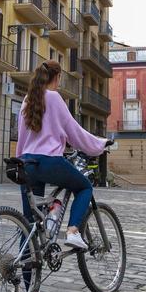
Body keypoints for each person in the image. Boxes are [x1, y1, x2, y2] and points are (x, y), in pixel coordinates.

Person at [16, 60, 108, 251]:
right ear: (57, 77)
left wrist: (20, 162)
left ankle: (25, 278)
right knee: (84, 187)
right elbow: (75, 133)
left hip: (26, 163)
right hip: (49, 162)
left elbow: (22, 138)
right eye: (60, 78)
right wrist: (100, 145)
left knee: (29, 226)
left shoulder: (27, 100)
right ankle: (73, 231)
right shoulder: (55, 98)